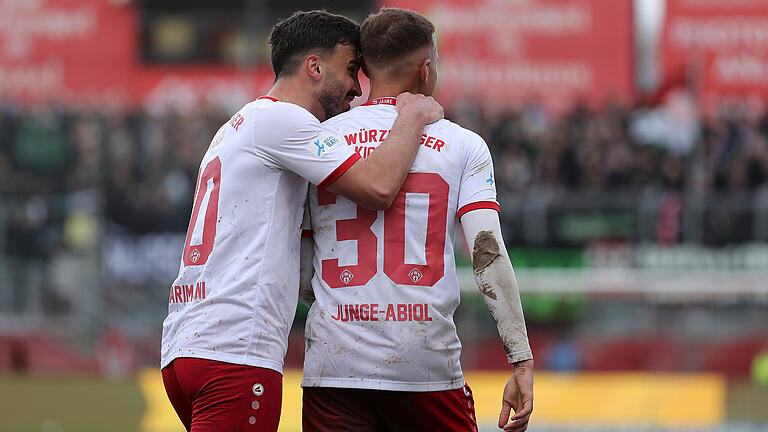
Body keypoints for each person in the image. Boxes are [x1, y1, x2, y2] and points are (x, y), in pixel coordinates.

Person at [160, 10, 443, 432]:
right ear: (314, 66)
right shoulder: (286, 121)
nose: (355, 90)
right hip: (235, 350)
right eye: (350, 70)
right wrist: (411, 117)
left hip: (188, 345)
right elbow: (379, 187)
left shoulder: (238, 125)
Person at [300, 8, 533, 432]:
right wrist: (520, 357)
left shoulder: (319, 141)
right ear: (425, 71)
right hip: (425, 368)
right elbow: (487, 254)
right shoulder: (464, 145)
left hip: (334, 368)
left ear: (365, 69)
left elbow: (300, 259)